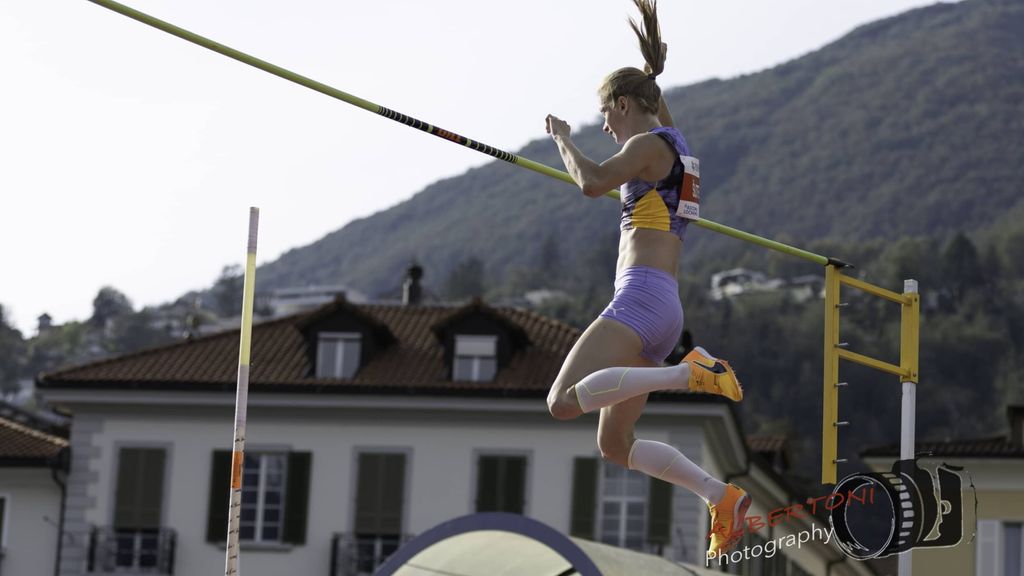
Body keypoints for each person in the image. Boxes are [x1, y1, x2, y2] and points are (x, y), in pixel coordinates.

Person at [544, 0, 751, 557]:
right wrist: (653, 80)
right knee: (615, 444)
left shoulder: (645, 146)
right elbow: (658, 113)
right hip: (663, 308)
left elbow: (590, 183)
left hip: (640, 301)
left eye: (605, 115)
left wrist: (563, 139)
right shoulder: (676, 145)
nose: (605, 128)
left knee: (561, 402)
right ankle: (719, 497)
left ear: (624, 104)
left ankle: (690, 375)